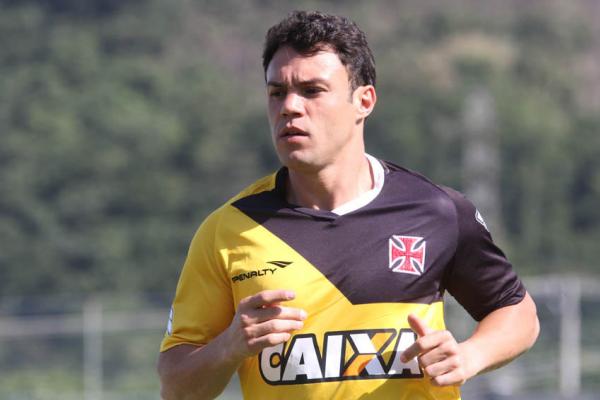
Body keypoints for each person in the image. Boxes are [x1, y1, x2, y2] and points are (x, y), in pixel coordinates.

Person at [157, 10, 539, 400]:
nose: (290, 106)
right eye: (277, 92)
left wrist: (470, 356)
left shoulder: (437, 210)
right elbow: (176, 387)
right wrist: (229, 346)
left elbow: (519, 313)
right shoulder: (228, 229)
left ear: (364, 101)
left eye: (312, 90)